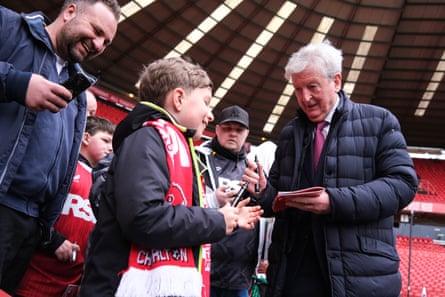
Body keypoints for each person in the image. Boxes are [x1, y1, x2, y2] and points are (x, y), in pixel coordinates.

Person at [242, 40, 418, 297]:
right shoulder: (290, 133)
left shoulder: (378, 121)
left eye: (312, 87)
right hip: (293, 272)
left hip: (357, 275)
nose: (305, 97)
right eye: (298, 89)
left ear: (336, 81)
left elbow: (403, 185)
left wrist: (334, 201)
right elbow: (277, 200)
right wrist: (263, 191)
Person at [79, 57, 263, 297]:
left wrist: (217, 210)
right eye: (206, 103)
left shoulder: (168, 143)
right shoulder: (147, 139)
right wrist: (216, 220)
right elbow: (144, 217)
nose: (209, 115)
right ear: (178, 99)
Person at [0, 1, 120, 294]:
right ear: (69, 12)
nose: (99, 44)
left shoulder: (78, 92)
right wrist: (15, 82)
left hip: (28, 226)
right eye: (96, 31)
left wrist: (45, 229)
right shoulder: (9, 28)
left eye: (106, 41)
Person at [16, 116, 115, 297]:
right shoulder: (65, 167)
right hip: (32, 277)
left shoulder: (106, 183)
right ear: (85, 138)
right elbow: (34, 209)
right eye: (105, 140)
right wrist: (51, 240)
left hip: (69, 282)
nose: (110, 147)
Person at [196, 105, 259, 297]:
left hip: (238, 274)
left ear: (246, 134)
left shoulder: (254, 170)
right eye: (227, 128)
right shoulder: (198, 159)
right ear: (217, 130)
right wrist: (213, 199)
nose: (233, 133)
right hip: (201, 268)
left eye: (239, 130)